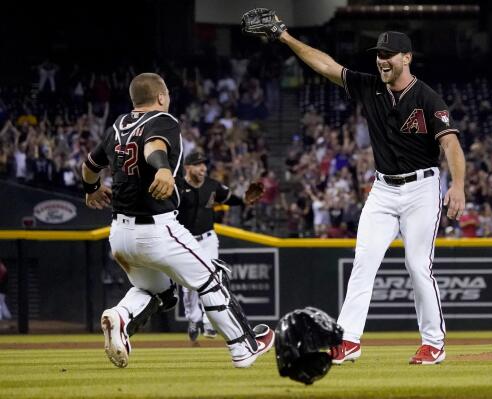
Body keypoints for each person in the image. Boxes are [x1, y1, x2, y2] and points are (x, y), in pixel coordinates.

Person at [272, 22, 466, 365]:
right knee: (363, 262)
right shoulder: (368, 87)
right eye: (379, 55)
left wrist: (458, 185)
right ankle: (348, 340)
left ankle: (433, 343)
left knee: (418, 265)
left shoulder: (427, 98)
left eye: (389, 55)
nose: (382, 61)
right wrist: (285, 37)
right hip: (383, 188)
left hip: (422, 188)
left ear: (407, 57)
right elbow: (325, 65)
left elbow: (450, 142)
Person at [81, 72, 274, 369]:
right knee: (212, 279)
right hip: (156, 229)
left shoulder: (118, 125)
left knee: (157, 291)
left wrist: (92, 189)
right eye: (167, 93)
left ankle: (120, 316)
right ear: (160, 96)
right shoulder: (164, 120)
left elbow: (90, 165)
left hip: (119, 233)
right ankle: (244, 347)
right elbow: (154, 147)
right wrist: (161, 169)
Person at [177, 151, 264, 343]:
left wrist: (243, 200)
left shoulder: (211, 185)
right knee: (188, 286)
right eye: (198, 164)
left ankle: (209, 322)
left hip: (208, 238)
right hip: (185, 240)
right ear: (187, 167)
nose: (203, 168)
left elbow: (230, 198)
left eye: (204, 164)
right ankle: (193, 319)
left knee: (213, 278)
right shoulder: (178, 186)